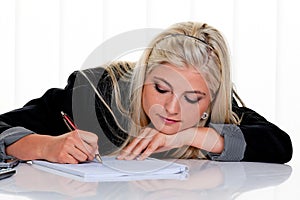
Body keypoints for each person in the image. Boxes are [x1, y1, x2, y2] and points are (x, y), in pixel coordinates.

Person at [0, 22, 292, 164]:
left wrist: (191, 135)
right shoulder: (96, 93)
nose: (173, 108)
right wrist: (44, 146)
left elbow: (280, 145)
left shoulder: (216, 107)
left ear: (211, 98)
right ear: (142, 78)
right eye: (161, 89)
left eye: (193, 98)